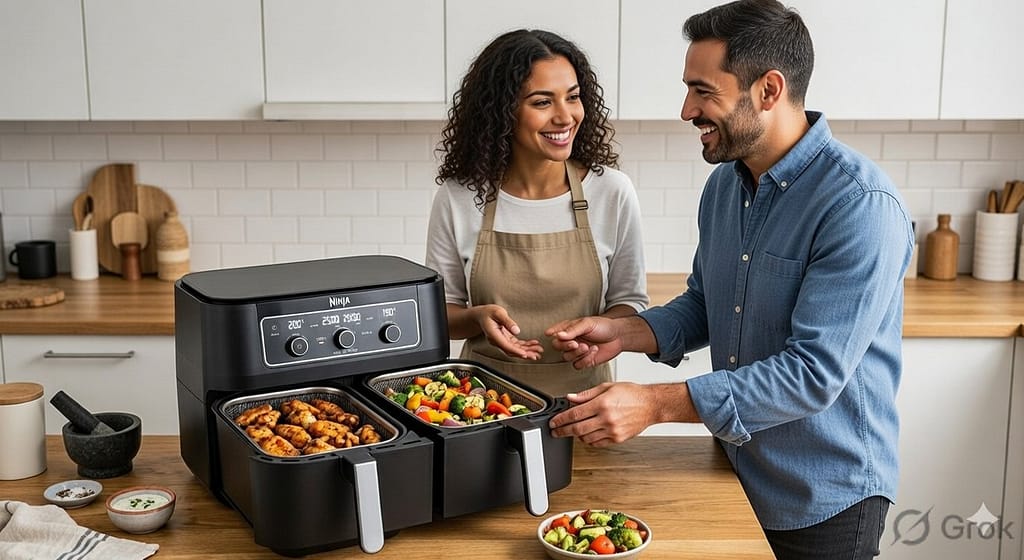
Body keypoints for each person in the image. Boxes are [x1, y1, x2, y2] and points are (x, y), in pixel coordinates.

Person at [545, 1, 913, 558]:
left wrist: (656, 404)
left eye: (703, 91)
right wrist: (626, 333)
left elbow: (812, 374)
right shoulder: (725, 186)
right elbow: (707, 303)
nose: (686, 110)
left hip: (824, 496)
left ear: (768, 90)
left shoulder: (858, 204)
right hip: (736, 470)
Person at [425, 29, 648, 396]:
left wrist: (597, 331)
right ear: (502, 111)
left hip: (585, 402)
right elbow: (441, 316)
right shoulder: (459, 197)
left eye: (572, 97)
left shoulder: (612, 191)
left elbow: (630, 303)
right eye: (542, 102)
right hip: (482, 404)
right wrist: (476, 318)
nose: (565, 116)